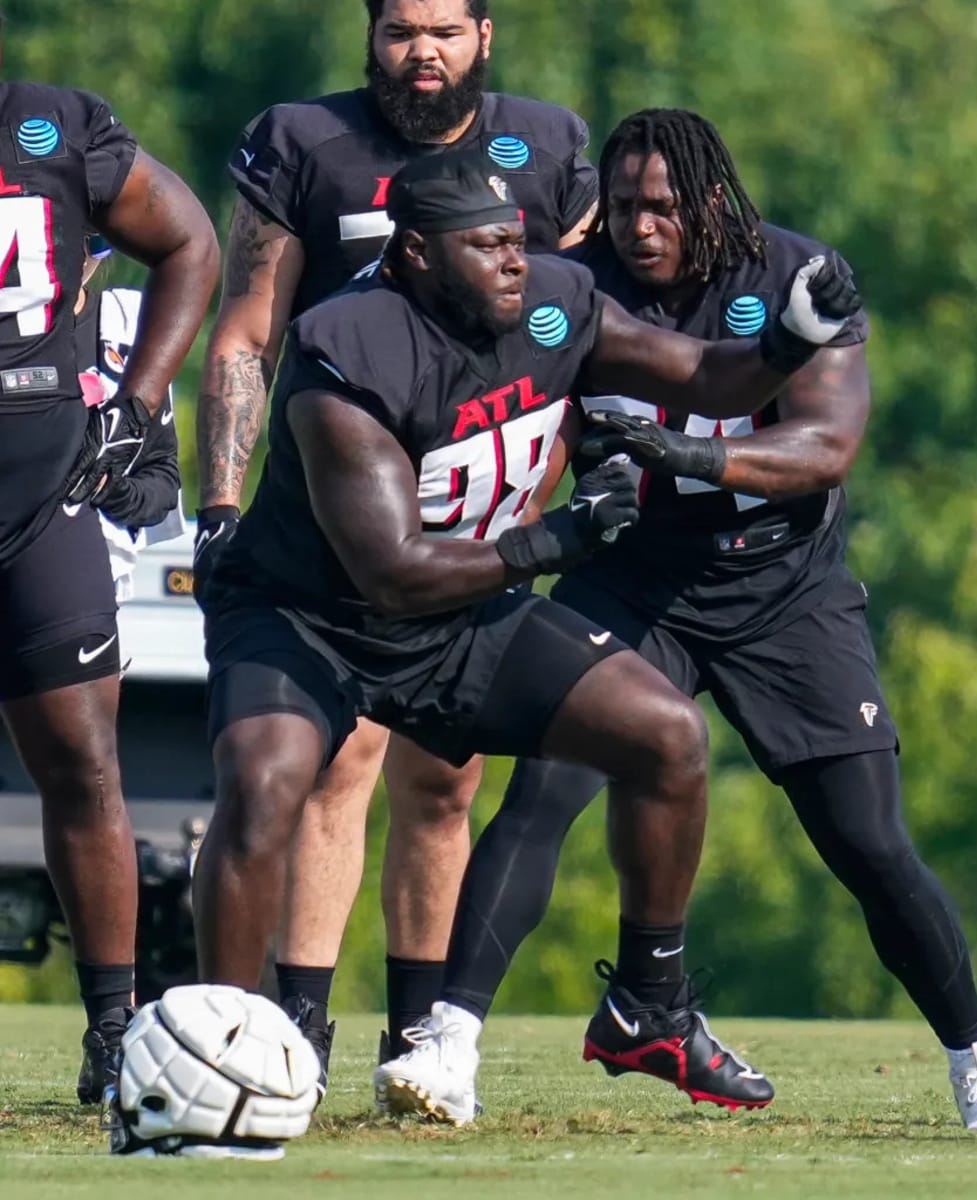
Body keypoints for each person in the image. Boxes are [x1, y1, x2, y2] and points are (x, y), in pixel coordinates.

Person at [376, 110, 977, 1137]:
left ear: (715, 204)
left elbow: (824, 447)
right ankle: (449, 1043)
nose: (641, 228)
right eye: (628, 205)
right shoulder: (569, 282)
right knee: (543, 791)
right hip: (636, 581)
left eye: (664, 209)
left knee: (868, 841)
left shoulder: (794, 275)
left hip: (786, 590)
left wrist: (688, 458)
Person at [192, 147, 859, 1127]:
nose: (517, 261)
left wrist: (796, 337)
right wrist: (558, 538)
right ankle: (229, 1041)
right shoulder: (347, 347)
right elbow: (392, 569)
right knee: (263, 787)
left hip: (455, 621)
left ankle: (651, 1007)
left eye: (518, 238)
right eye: (489, 245)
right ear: (417, 254)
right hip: (310, 619)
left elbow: (713, 380)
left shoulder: (553, 300)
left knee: (666, 736)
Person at [193, 0, 600, 1080]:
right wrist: (221, 500)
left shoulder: (550, 144)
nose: (420, 54)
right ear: (369, 38)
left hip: (477, 490)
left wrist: (528, 498)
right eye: (397, 32)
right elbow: (246, 328)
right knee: (338, 760)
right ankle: (299, 1025)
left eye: (443, 31)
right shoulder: (303, 141)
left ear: (485, 34)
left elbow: (565, 339)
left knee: (447, 775)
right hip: (332, 500)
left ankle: (422, 1035)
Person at [0, 69, 218, 1107]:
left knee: (83, 764)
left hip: (42, 501)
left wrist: (133, 405)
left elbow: (191, 244)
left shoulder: (51, 127)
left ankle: (114, 1028)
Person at [75, 235, 186, 591]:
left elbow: (162, 478)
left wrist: (113, 491)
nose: (74, 254)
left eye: (91, 239)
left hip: (90, 585)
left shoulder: (127, 326)